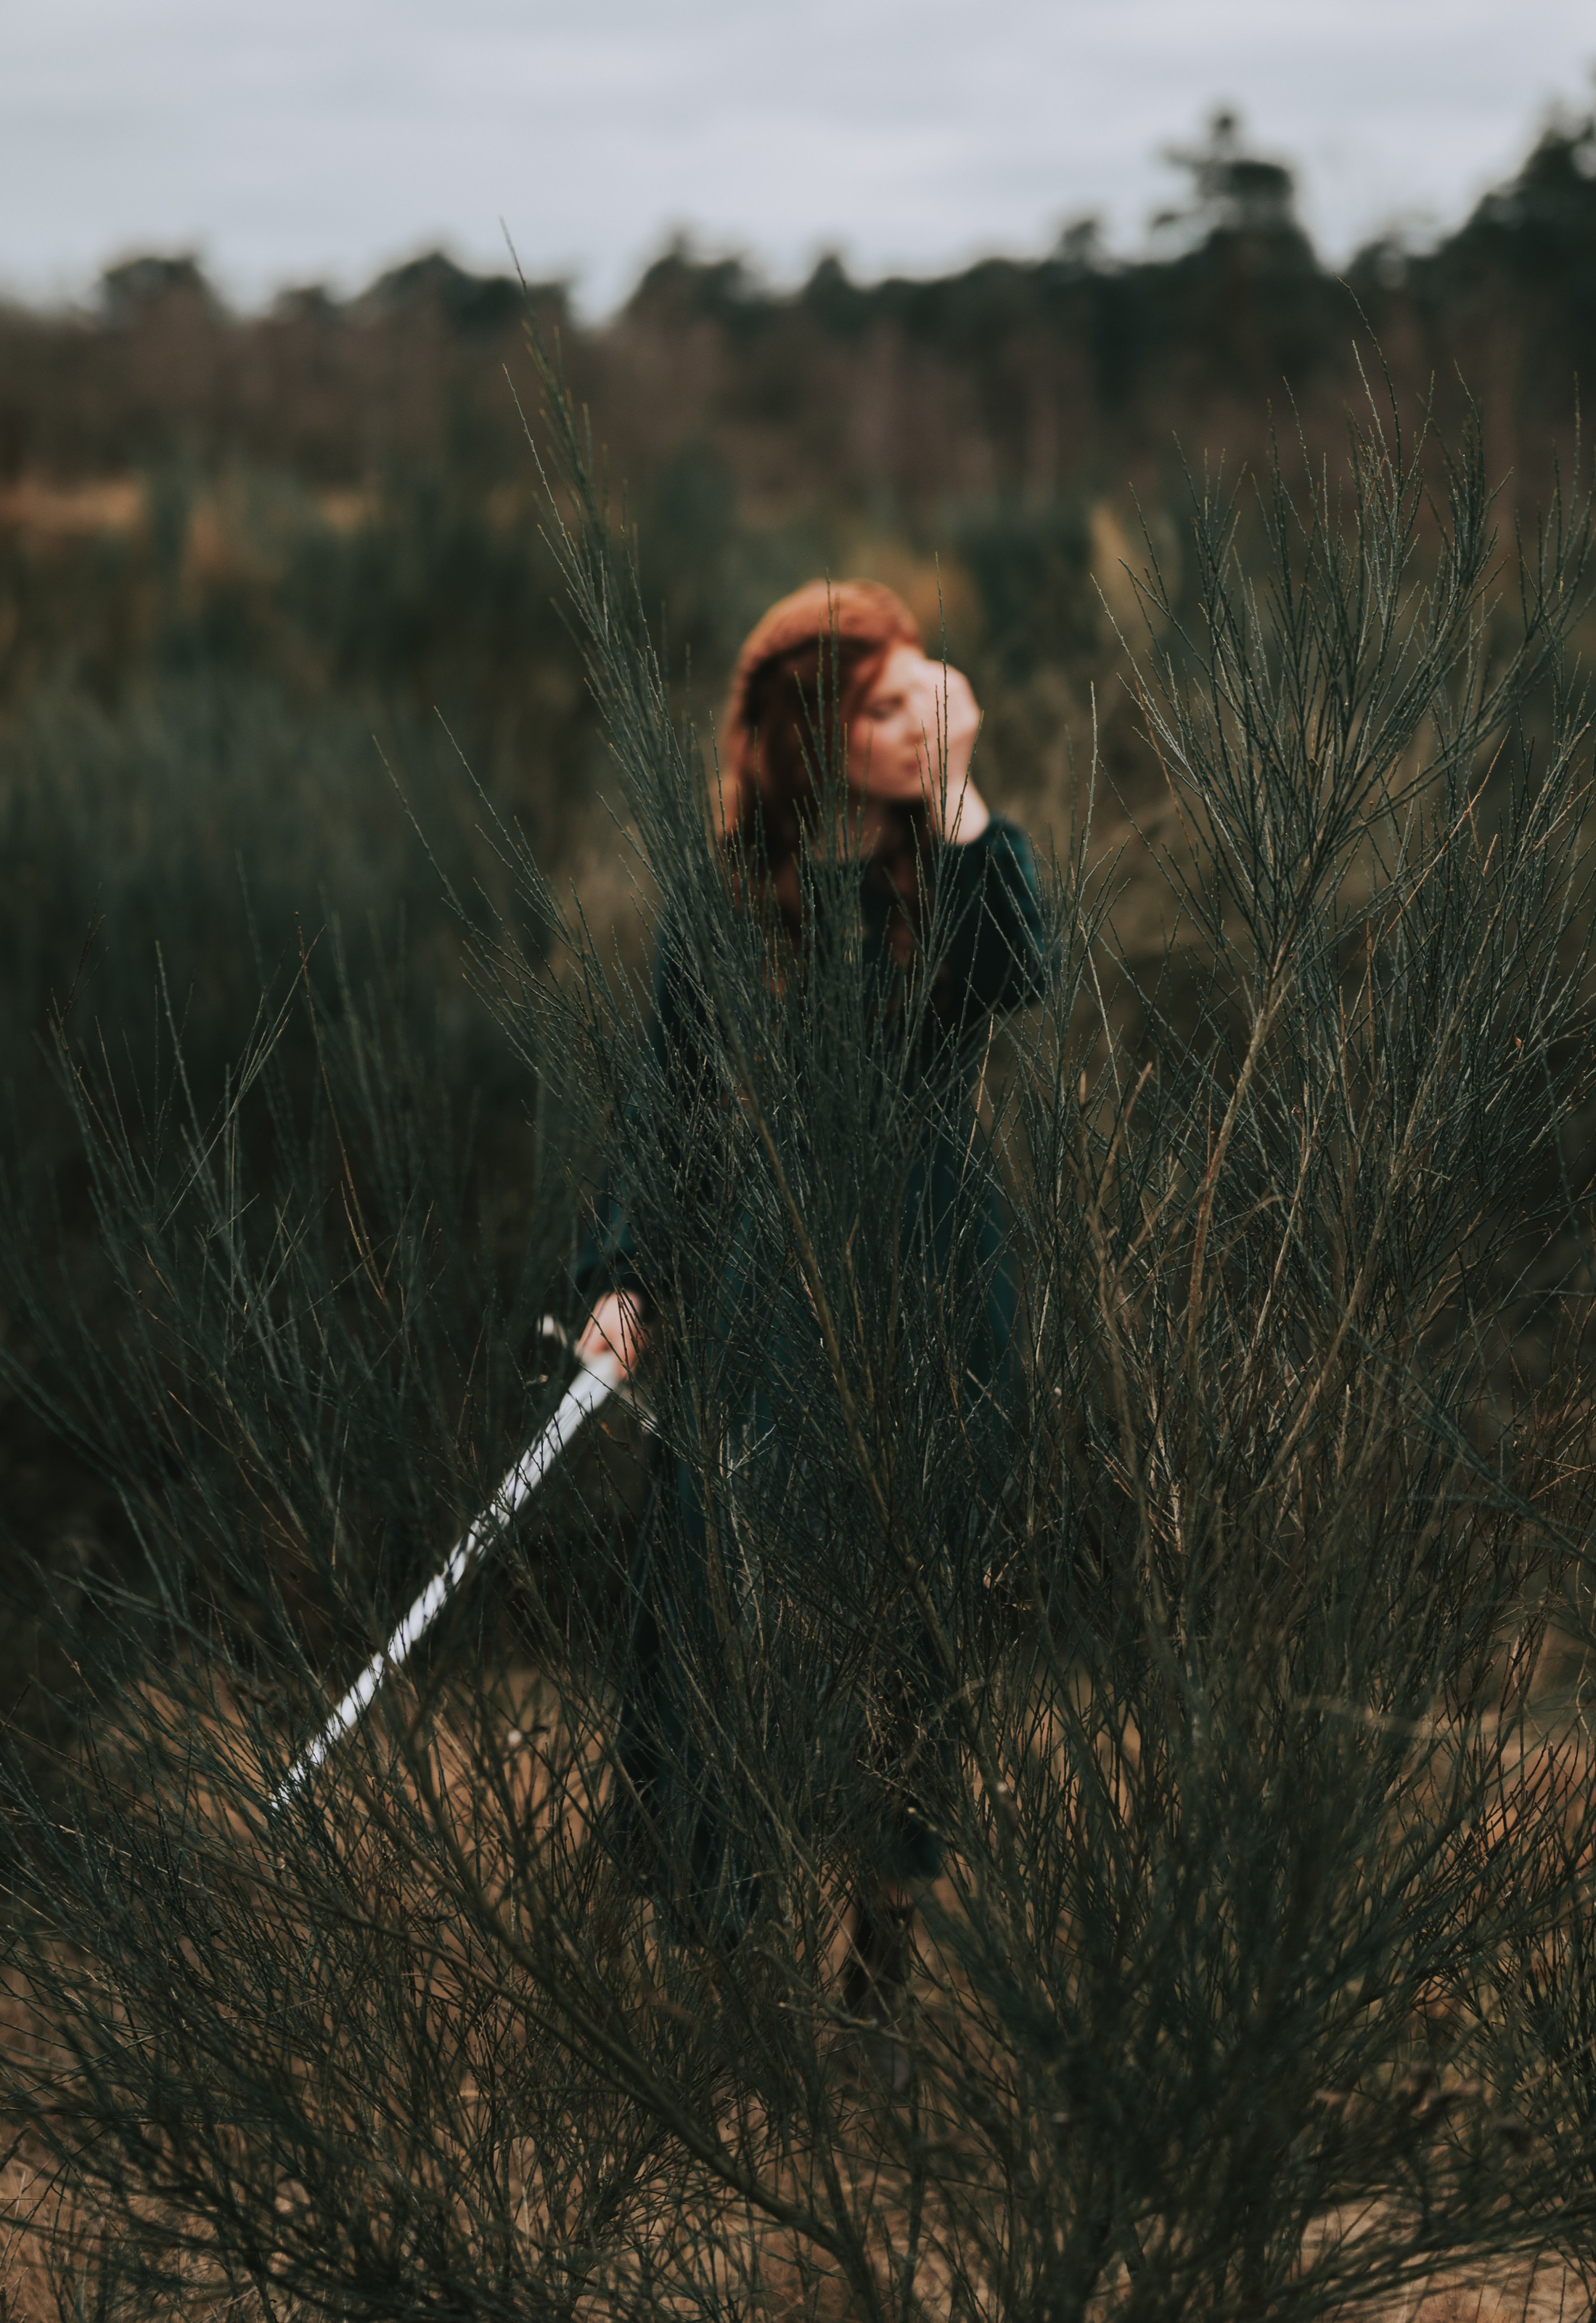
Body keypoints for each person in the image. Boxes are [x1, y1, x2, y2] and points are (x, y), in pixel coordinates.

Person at [569, 578, 1046, 2062]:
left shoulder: (956, 869)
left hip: (928, 1277)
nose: (920, 721)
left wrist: (958, 793)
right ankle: (727, 1971)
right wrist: (626, 1275)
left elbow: (1020, 969)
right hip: (764, 1284)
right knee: (725, 1593)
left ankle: (876, 1972)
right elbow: (669, 1103)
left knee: (910, 1608)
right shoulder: (725, 904)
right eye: (886, 706)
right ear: (813, 731)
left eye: (927, 695)